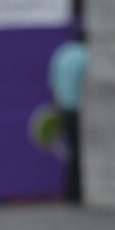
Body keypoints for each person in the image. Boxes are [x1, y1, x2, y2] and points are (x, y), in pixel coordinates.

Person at [48, 31, 87, 203]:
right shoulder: (86, 55)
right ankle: (77, 191)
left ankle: (70, 191)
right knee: (80, 152)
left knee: (72, 152)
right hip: (80, 109)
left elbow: (53, 84)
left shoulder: (61, 54)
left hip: (63, 109)